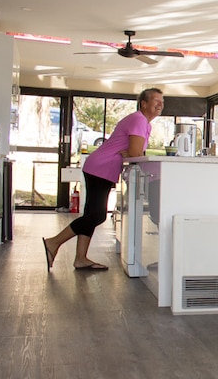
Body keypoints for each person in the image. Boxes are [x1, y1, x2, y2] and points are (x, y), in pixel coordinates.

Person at [43, 88, 164, 271]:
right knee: (97, 215)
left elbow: (133, 152)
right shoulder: (139, 119)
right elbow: (135, 153)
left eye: (162, 101)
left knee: (91, 214)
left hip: (100, 167)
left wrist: (132, 153)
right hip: (102, 168)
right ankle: (54, 242)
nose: (160, 104)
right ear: (143, 104)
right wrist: (132, 153)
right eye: (156, 100)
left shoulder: (144, 123)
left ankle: (80, 258)